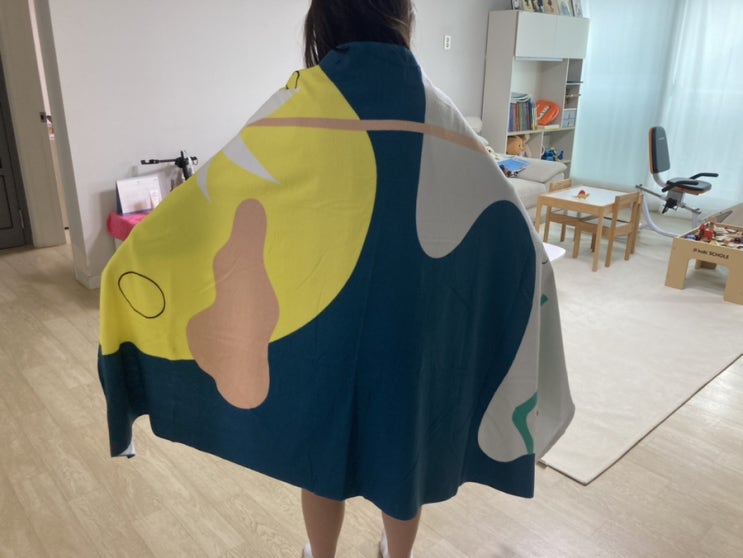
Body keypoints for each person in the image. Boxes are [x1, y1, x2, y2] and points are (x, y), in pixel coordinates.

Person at [97, 1, 573, 557]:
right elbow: (509, 223)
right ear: (403, 18)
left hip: (326, 323)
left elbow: (217, 189)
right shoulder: (438, 113)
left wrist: (139, 255)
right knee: (403, 452)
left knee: (322, 450)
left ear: (322, 22)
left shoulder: (302, 104)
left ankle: (319, 554)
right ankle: (396, 555)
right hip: (412, 329)